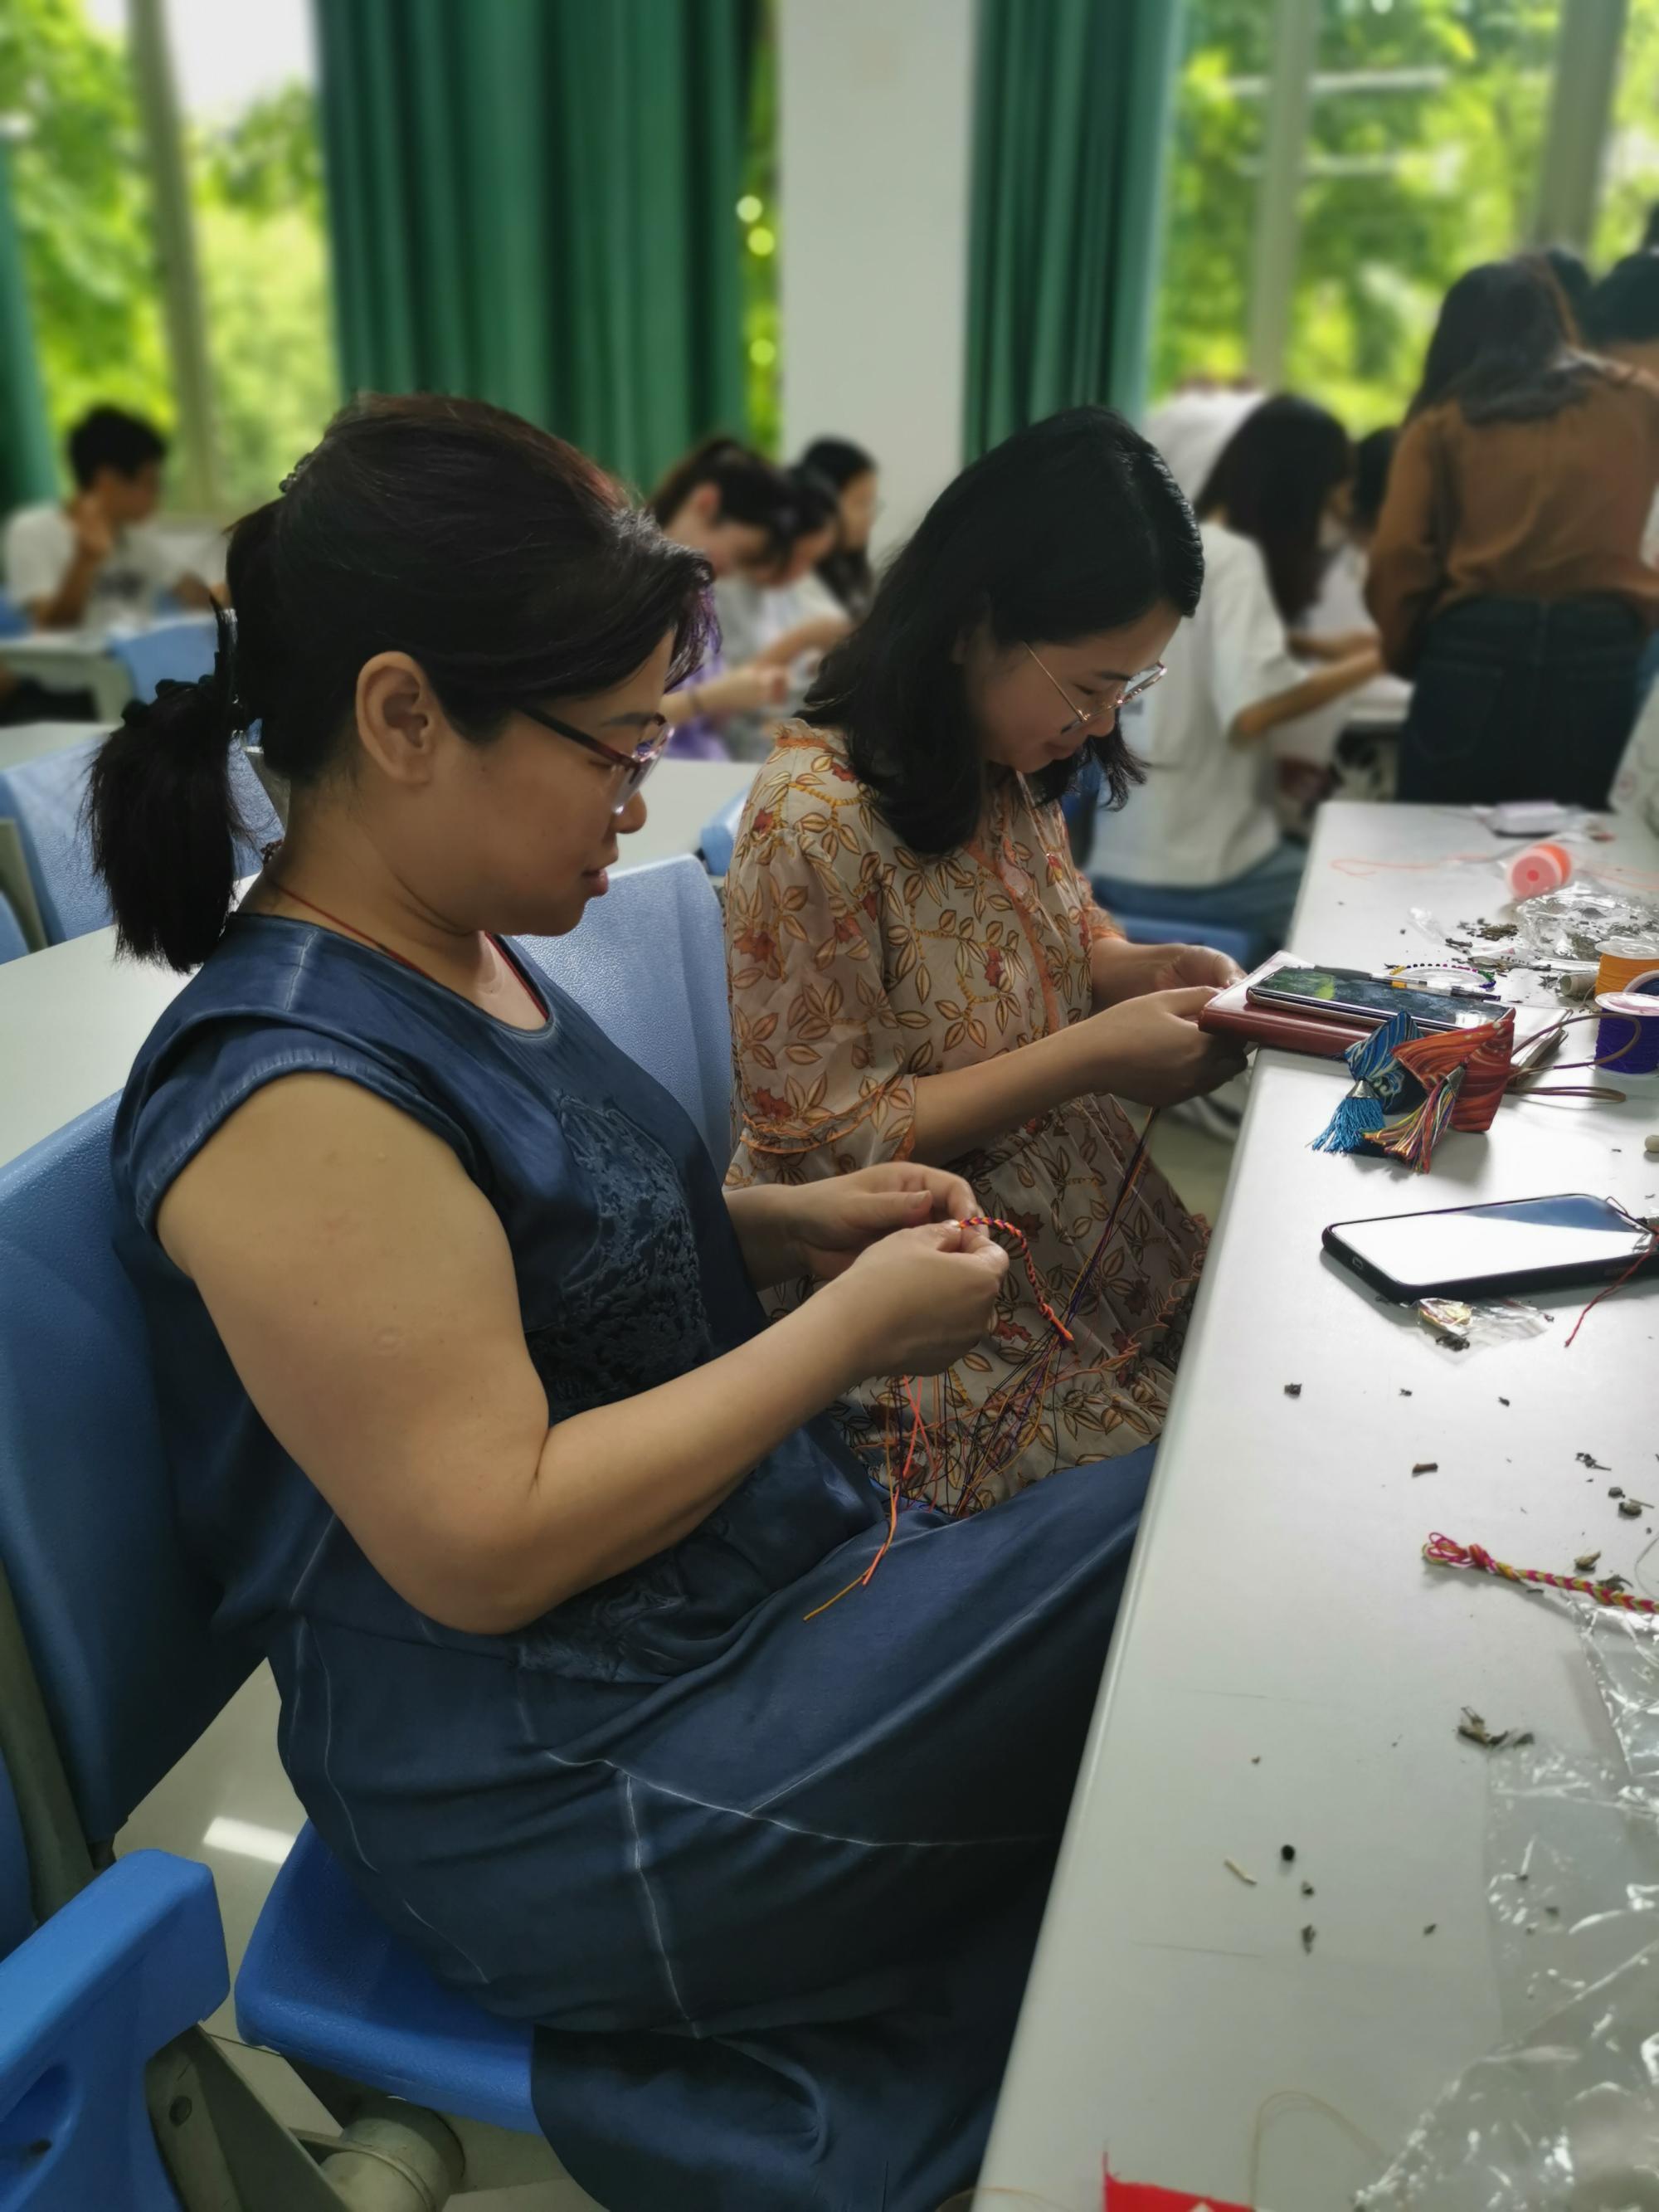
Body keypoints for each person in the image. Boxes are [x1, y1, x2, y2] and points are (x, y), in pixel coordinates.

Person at [90, 392, 1161, 2212]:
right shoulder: (288, 1093)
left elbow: (545, 1262)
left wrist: (792, 1228)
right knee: (1165, 1545)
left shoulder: (455, 948)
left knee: (1159, 1593)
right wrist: (839, 1332)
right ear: (404, 718)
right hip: (557, 1793)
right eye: (614, 746)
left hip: (719, 1631)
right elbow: (486, 1536)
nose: (641, 798)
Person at [725, 407, 1246, 1508]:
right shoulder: (812, 817)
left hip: (1083, 1241)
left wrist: (1134, 968)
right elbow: (823, 1145)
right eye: (1088, 686)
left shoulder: (999, 762)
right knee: (1209, 1480)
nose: (1100, 724)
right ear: (974, 625)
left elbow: (1058, 931)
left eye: (1128, 690)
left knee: (1273, 1365)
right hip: (930, 1303)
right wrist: (1092, 1054)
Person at [1090, 397, 1382, 964]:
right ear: (1302, 489)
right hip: (1200, 873)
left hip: (1121, 866)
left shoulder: (1175, 550)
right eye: (1335, 498)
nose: (1337, 517)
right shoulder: (1236, 558)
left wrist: (1321, 651)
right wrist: (1378, 659)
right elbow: (1253, 710)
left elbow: (1193, 661)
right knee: (1358, 897)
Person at [1367, 259, 1659, 806]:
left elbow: (1397, 556)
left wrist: (1409, 652)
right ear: (1560, 322)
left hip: (1473, 648)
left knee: (1435, 839)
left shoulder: (1442, 423)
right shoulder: (1640, 401)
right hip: (1600, 651)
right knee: (1575, 843)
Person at [645, 436, 800, 756]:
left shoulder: (700, 594)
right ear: (706, 503)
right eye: (739, 554)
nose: (731, 572)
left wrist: (746, 691)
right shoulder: (636, 589)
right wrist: (715, 696)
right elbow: (620, 723)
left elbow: (707, 720)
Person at [3, 406, 216, 630]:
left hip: (137, 651)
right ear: (108, 482)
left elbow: (192, 593)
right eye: (150, 484)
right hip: (78, 653)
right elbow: (50, 628)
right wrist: (85, 560)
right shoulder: (31, 531)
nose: (158, 495)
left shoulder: (136, 531)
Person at [712, 464, 849, 759]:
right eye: (800, 557)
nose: (801, 571)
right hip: (737, 743)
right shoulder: (723, 587)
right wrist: (798, 641)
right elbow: (718, 701)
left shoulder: (784, 588)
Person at [800, 435, 880, 617]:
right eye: (860, 503)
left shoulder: (852, 575)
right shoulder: (794, 576)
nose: (869, 518)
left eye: (871, 505)